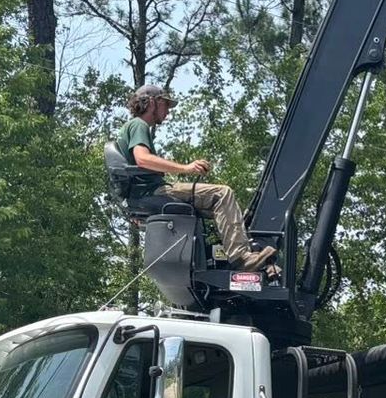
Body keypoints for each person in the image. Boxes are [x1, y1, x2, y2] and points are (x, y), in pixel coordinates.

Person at [115, 85, 276, 272]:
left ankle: (234, 254)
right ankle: (241, 258)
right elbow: (142, 159)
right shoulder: (139, 125)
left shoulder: (134, 127)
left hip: (147, 192)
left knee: (224, 209)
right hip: (156, 191)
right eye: (166, 105)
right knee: (222, 194)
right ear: (153, 102)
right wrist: (186, 167)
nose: (168, 112)